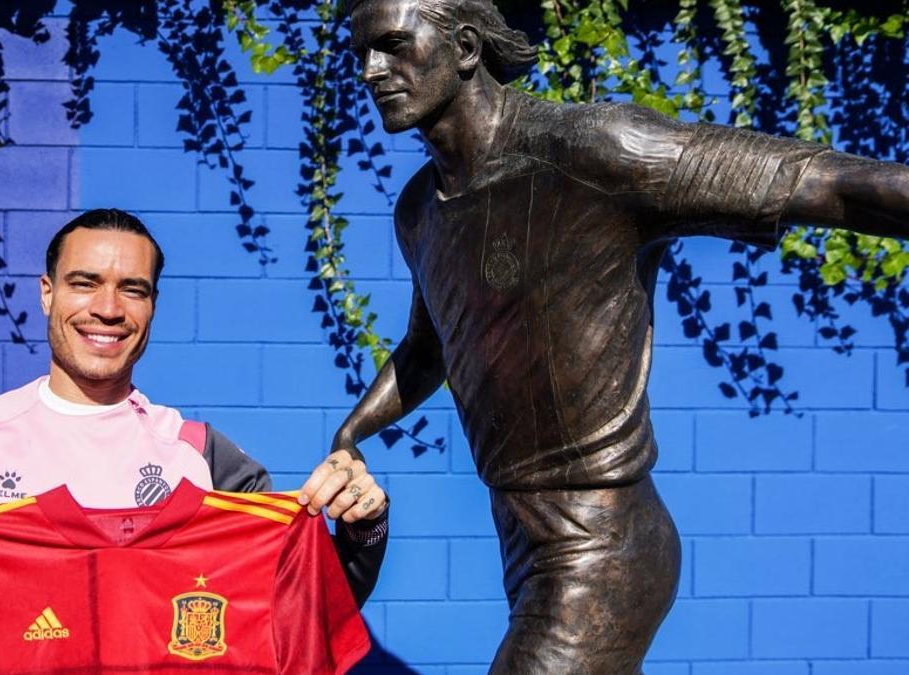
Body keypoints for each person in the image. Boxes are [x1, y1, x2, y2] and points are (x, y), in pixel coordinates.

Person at [338, 0, 909, 672]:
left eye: (393, 45)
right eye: (360, 56)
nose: (372, 71)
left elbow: (828, 183)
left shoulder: (595, 151)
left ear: (465, 48)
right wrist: (348, 436)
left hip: (605, 547)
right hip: (524, 547)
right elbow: (428, 349)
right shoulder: (419, 212)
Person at [0, 208, 390, 619]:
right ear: (47, 292)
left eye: (134, 289)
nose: (109, 308)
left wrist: (362, 529)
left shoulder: (202, 457)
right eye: (85, 282)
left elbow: (311, 610)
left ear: (153, 306)